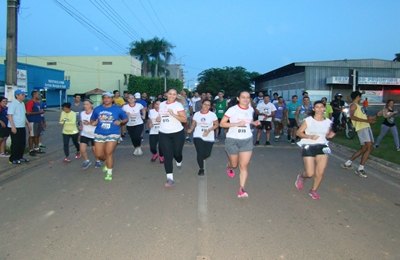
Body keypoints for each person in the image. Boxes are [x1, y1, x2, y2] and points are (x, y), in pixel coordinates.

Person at [220, 90, 261, 198]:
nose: (246, 99)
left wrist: (254, 123)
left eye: (248, 97)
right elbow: (222, 123)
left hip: (246, 139)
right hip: (232, 139)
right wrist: (237, 124)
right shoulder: (232, 110)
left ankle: (241, 189)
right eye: (243, 97)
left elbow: (247, 121)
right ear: (238, 98)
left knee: (243, 166)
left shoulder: (251, 109)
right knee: (234, 165)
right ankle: (229, 166)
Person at [295, 101, 335, 200]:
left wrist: (330, 136)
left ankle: (313, 190)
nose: (319, 109)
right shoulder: (308, 120)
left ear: (324, 108)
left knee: (320, 172)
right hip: (308, 145)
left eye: (321, 107)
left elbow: (329, 135)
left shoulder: (329, 122)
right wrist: (309, 136)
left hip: (323, 146)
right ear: (314, 109)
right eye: (317, 107)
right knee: (310, 173)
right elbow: (298, 132)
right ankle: (301, 177)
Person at [90, 92, 128, 181]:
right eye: (105, 98)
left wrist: (121, 122)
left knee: (108, 153)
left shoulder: (117, 109)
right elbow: (92, 119)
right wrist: (93, 122)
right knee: (99, 155)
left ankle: (109, 172)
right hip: (99, 132)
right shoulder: (97, 109)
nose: (106, 99)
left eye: (108, 98)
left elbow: (125, 118)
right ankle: (107, 162)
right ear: (103, 99)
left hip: (113, 133)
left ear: (112, 99)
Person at [341, 91, 376, 178]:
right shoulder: (353, 105)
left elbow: (364, 117)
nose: (361, 98)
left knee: (364, 148)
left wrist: (371, 119)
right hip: (362, 128)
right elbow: (352, 116)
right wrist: (367, 121)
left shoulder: (359, 106)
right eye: (360, 97)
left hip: (366, 127)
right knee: (369, 147)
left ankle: (348, 163)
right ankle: (360, 169)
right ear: (357, 97)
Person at [158, 88, 187, 187]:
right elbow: (160, 116)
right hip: (163, 133)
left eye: (174, 94)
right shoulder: (161, 104)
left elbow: (184, 119)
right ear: (166, 94)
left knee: (177, 153)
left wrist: (173, 114)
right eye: (170, 94)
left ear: (176, 96)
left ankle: (179, 160)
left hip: (177, 133)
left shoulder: (178, 105)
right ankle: (170, 178)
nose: (172, 96)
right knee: (167, 156)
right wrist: (158, 118)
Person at [188, 99, 219, 176]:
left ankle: (202, 158)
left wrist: (209, 130)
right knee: (200, 153)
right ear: (202, 104)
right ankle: (201, 169)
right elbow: (193, 124)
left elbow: (216, 125)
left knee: (207, 154)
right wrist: (190, 129)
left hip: (209, 136)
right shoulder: (197, 114)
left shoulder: (212, 115)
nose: (206, 106)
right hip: (198, 135)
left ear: (210, 106)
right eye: (205, 104)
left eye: (208, 105)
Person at [7, 90, 31, 164]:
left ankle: (20, 157)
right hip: (15, 126)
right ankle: (12, 159)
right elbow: (9, 115)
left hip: (21, 126)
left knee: (22, 143)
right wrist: (13, 127)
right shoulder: (13, 104)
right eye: (22, 94)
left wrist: (28, 123)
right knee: (15, 143)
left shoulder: (22, 103)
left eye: (24, 94)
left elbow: (24, 115)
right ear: (17, 95)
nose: (24, 96)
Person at [79, 99, 100, 170]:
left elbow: (97, 124)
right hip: (84, 133)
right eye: (84, 104)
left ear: (91, 105)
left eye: (87, 104)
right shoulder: (82, 113)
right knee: (82, 149)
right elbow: (81, 122)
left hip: (94, 134)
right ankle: (86, 160)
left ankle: (98, 161)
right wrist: (81, 126)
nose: (85, 106)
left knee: (94, 150)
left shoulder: (95, 113)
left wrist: (89, 123)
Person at [25, 90, 45, 156]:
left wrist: (42, 121)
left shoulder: (37, 103)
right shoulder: (30, 102)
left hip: (38, 121)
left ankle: (36, 148)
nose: (39, 95)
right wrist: (39, 112)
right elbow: (28, 112)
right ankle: (31, 150)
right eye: (38, 94)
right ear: (34, 95)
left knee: (37, 135)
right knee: (32, 135)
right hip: (32, 121)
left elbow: (40, 114)